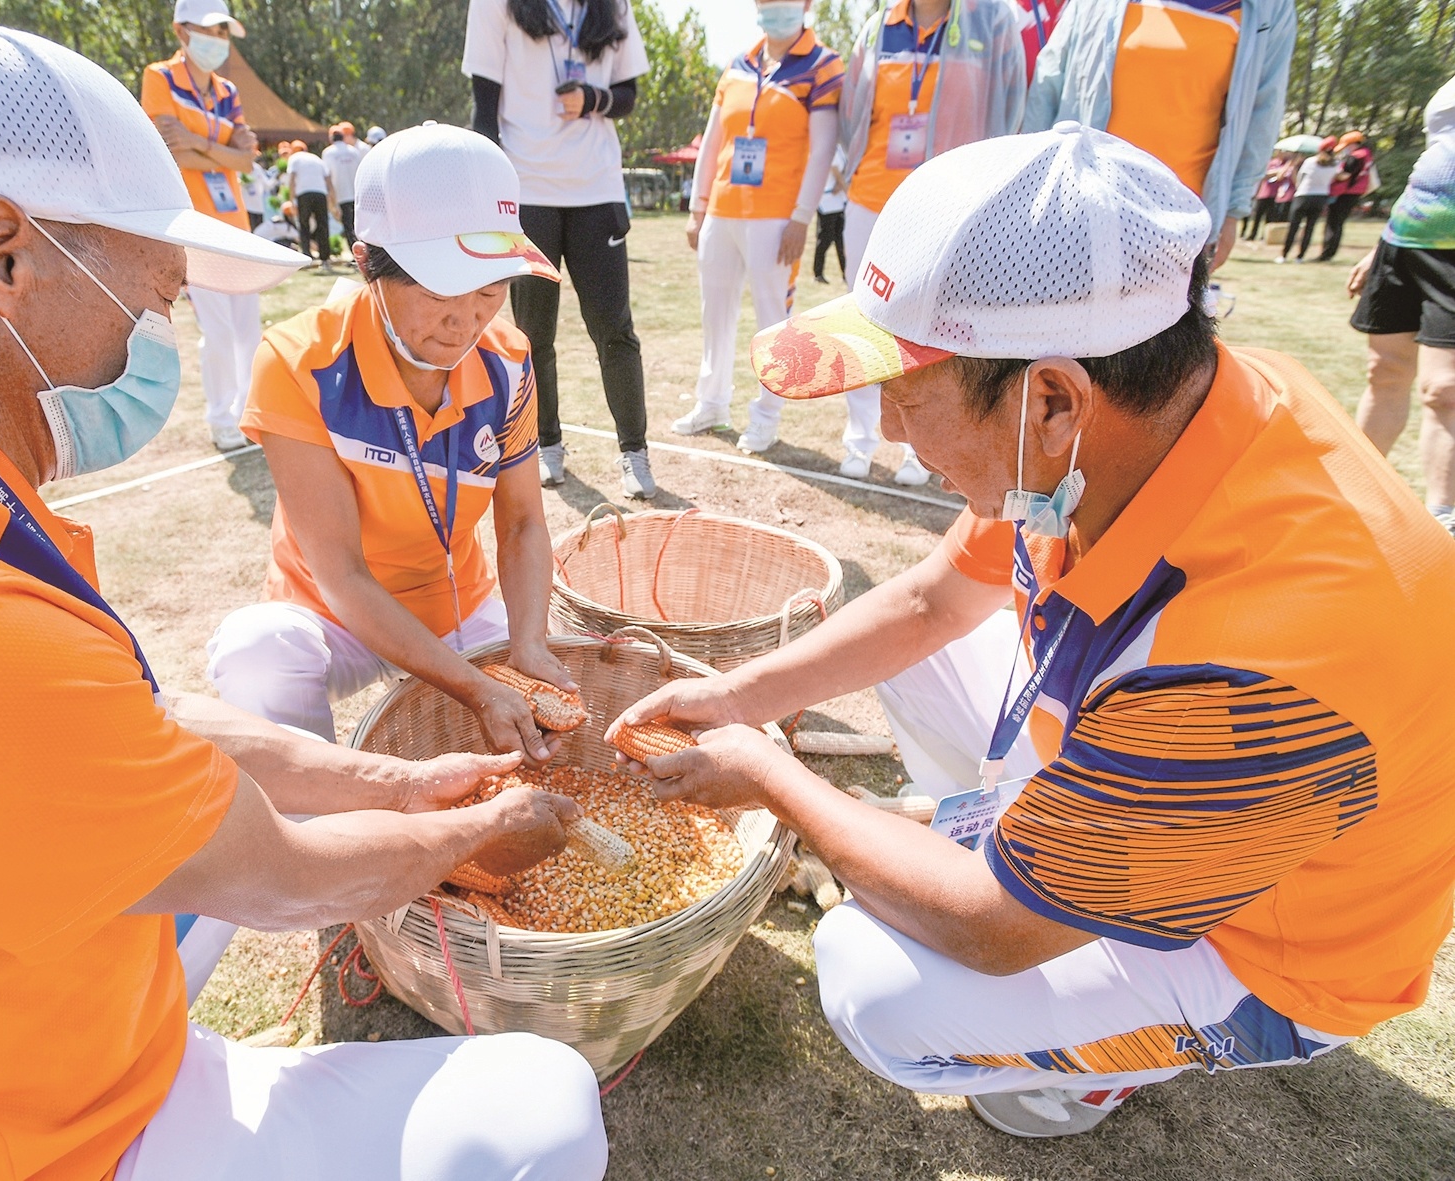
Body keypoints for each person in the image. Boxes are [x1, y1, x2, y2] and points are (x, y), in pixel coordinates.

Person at [0, 22, 608, 1181]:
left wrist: (399, 782)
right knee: (539, 1105)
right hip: (42, 1140)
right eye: (154, 291)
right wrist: (469, 831)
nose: (156, 342)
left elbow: (132, 727)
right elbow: (276, 872)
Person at [623, 124, 1455, 1139]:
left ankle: (1087, 1064)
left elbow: (992, 927)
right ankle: (1031, 830)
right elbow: (931, 600)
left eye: (908, 394)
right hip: (1173, 772)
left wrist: (775, 777)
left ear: (1053, 398)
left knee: (875, 985)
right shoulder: (1132, 421)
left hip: (1260, 947)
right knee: (926, 663)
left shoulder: (1256, 661)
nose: (888, 431)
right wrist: (737, 696)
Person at [207, 124, 578, 768]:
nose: (466, 320)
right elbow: (343, 575)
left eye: (491, 289)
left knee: (569, 695)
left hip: (457, 602)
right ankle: (320, 817)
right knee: (255, 653)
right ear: (366, 264)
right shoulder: (299, 364)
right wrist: (473, 687)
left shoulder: (510, 363)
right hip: (334, 617)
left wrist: (528, 643)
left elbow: (521, 522)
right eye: (438, 292)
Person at [463, 0, 656, 499]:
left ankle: (634, 451)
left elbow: (629, 94)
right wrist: (489, 192)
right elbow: (484, 108)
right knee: (532, 334)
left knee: (615, 329)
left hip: (597, 188)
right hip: (526, 192)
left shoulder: (614, 7)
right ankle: (546, 445)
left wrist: (593, 99)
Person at [831, 0, 1026, 486]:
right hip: (871, 198)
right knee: (865, 323)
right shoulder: (879, 28)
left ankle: (921, 451)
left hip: (950, 206)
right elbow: (852, 111)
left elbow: (1012, 106)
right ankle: (859, 437)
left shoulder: (993, 20)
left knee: (934, 334)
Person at [673, 0, 843, 457]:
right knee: (716, 313)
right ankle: (711, 402)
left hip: (776, 216)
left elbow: (824, 146)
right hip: (724, 211)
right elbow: (713, 140)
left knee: (774, 322)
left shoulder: (823, 65)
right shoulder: (737, 64)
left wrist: (802, 216)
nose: (773, 8)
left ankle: (767, 415)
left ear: (806, 5)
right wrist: (698, 207)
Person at [1025, 0, 1294, 273]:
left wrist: (1234, 209)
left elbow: (1265, 108)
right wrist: (1029, 183)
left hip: (1179, 226)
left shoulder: (1269, 9)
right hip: (1076, 210)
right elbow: (1047, 84)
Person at [142, 0, 266, 453]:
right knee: (218, 331)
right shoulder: (160, 78)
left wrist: (196, 142)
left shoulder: (227, 90)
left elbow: (247, 159)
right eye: (210, 30)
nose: (218, 40)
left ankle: (250, 412)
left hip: (235, 223)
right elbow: (167, 151)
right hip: (193, 224)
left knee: (247, 328)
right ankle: (221, 419)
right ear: (181, 30)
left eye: (224, 32)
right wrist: (223, 147)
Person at [1348, 74, 1455, 525]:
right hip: (1407, 237)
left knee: (1444, 390)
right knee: (1384, 371)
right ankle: (1350, 497)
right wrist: (1382, 244)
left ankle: (1444, 519)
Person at [1318, 129, 1375, 262]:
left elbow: (1345, 175)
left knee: (1334, 223)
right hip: (1355, 192)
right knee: (1338, 223)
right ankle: (1329, 252)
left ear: (1353, 144)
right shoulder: (1366, 155)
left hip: (1345, 193)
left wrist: (1330, 176)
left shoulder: (1355, 157)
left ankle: (1327, 253)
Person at [1279, 137, 1338, 263]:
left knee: (1293, 227)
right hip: (1321, 197)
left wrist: (1294, 169)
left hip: (1303, 195)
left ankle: (1284, 255)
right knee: (1309, 228)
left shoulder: (1310, 161)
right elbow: (1334, 179)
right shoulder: (1336, 164)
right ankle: (1300, 257)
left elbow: (1299, 180)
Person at [286, 137, 333, 269]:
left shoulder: (294, 159)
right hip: (320, 193)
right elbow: (328, 180)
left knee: (304, 225)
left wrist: (292, 200)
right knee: (323, 225)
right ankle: (325, 258)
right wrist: (331, 200)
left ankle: (306, 256)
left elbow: (292, 180)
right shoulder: (317, 159)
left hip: (304, 194)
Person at [321, 123, 366, 248]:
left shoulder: (328, 153)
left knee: (348, 226)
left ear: (331, 138)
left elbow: (327, 176)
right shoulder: (354, 151)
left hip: (340, 194)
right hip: (356, 193)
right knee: (359, 224)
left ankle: (355, 252)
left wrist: (331, 200)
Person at [812, 149, 847, 285]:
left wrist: (842, 186)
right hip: (827, 200)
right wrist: (845, 186)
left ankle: (846, 274)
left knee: (841, 240)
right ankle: (818, 273)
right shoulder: (831, 148)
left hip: (838, 199)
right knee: (825, 239)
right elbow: (835, 170)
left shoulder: (842, 150)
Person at [1239, 150, 1289, 240]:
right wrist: (1277, 171)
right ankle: (1252, 234)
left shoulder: (1286, 164)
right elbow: (1264, 175)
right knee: (1257, 216)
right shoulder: (1271, 163)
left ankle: (1265, 236)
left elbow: (1280, 176)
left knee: (1269, 217)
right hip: (1264, 193)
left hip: (1275, 194)